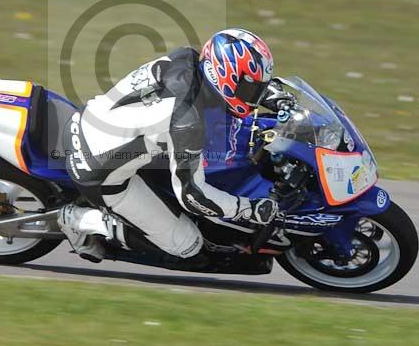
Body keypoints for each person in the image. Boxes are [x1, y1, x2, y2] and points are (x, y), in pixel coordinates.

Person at [58, 28, 282, 263]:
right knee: (188, 245)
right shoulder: (187, 122)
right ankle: (79, 220)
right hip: (98, 170)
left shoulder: (188, 58)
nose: (254, 97)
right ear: (224, 76)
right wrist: (247, 209)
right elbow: (193, 196)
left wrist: (269, 95)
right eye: (251, 89)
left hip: (94, 118)